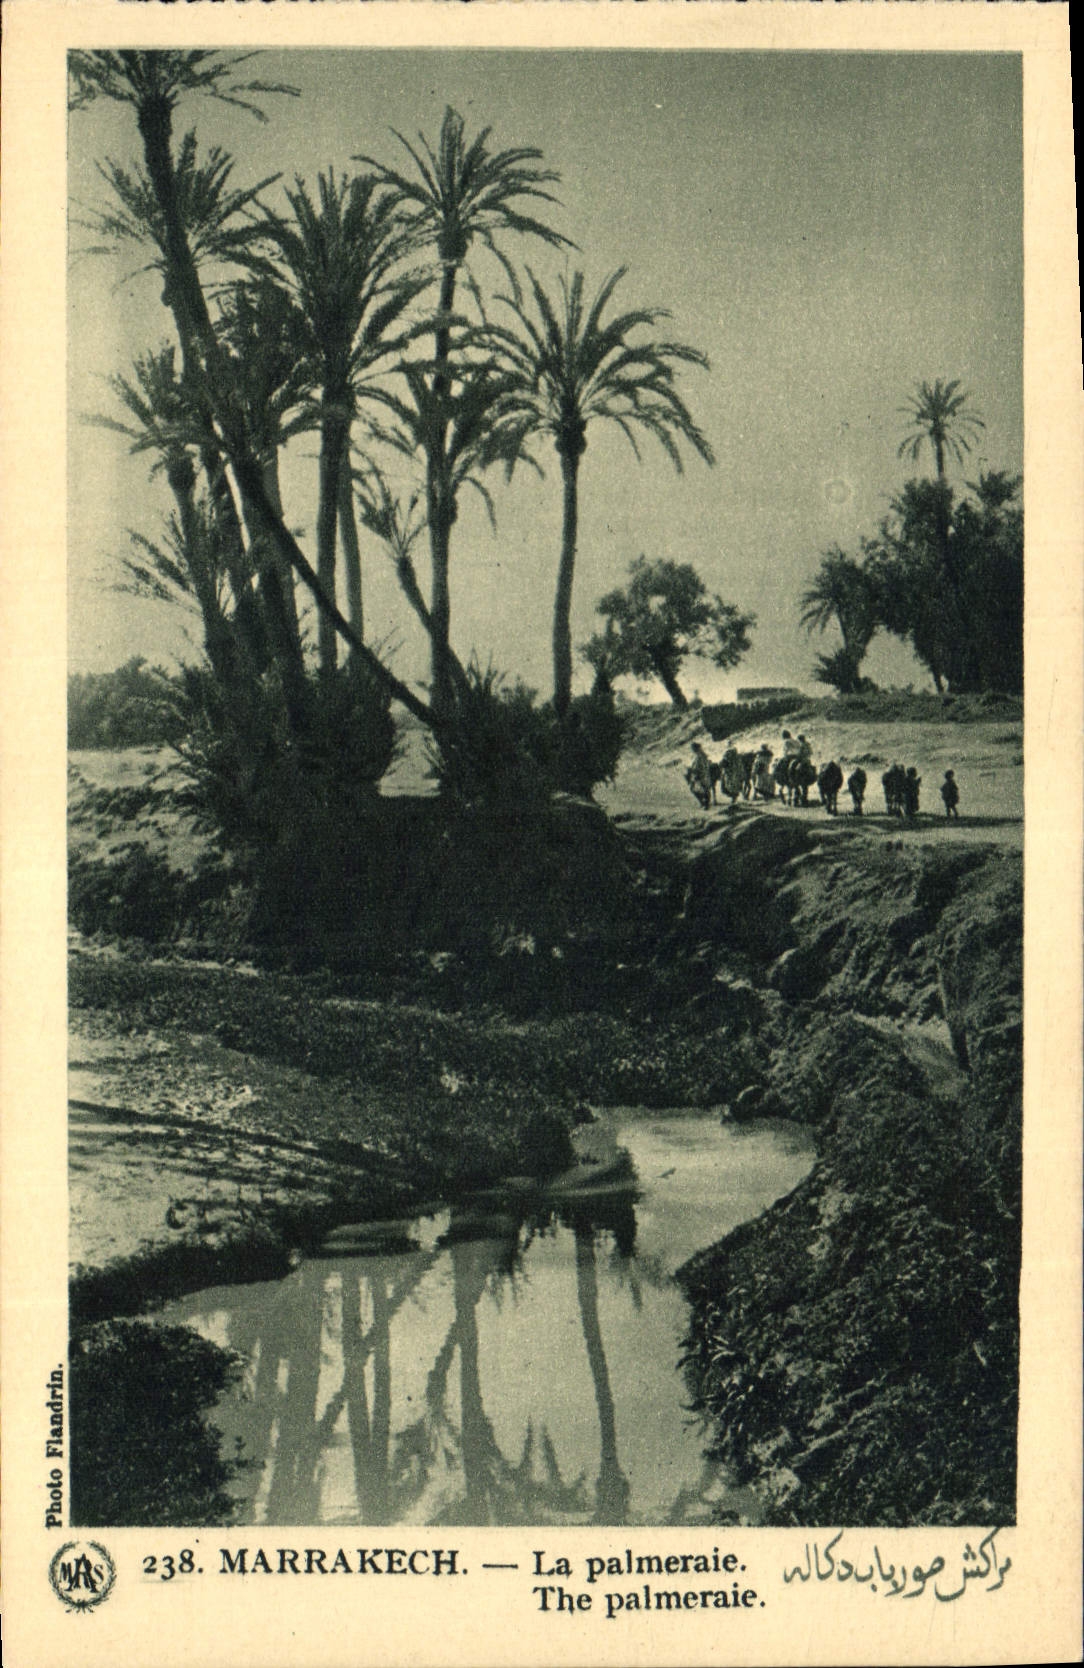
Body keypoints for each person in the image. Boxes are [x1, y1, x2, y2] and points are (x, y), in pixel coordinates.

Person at [686, 741, 713, 809]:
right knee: (705, 789)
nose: (692, 750)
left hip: (701, 776)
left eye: (693, 749)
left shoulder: (699, 756)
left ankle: (705, 804)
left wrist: (691, 770)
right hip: (705, 775)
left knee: (695, 789)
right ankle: (705, 803)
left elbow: (697, 767)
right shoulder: (703, 755)